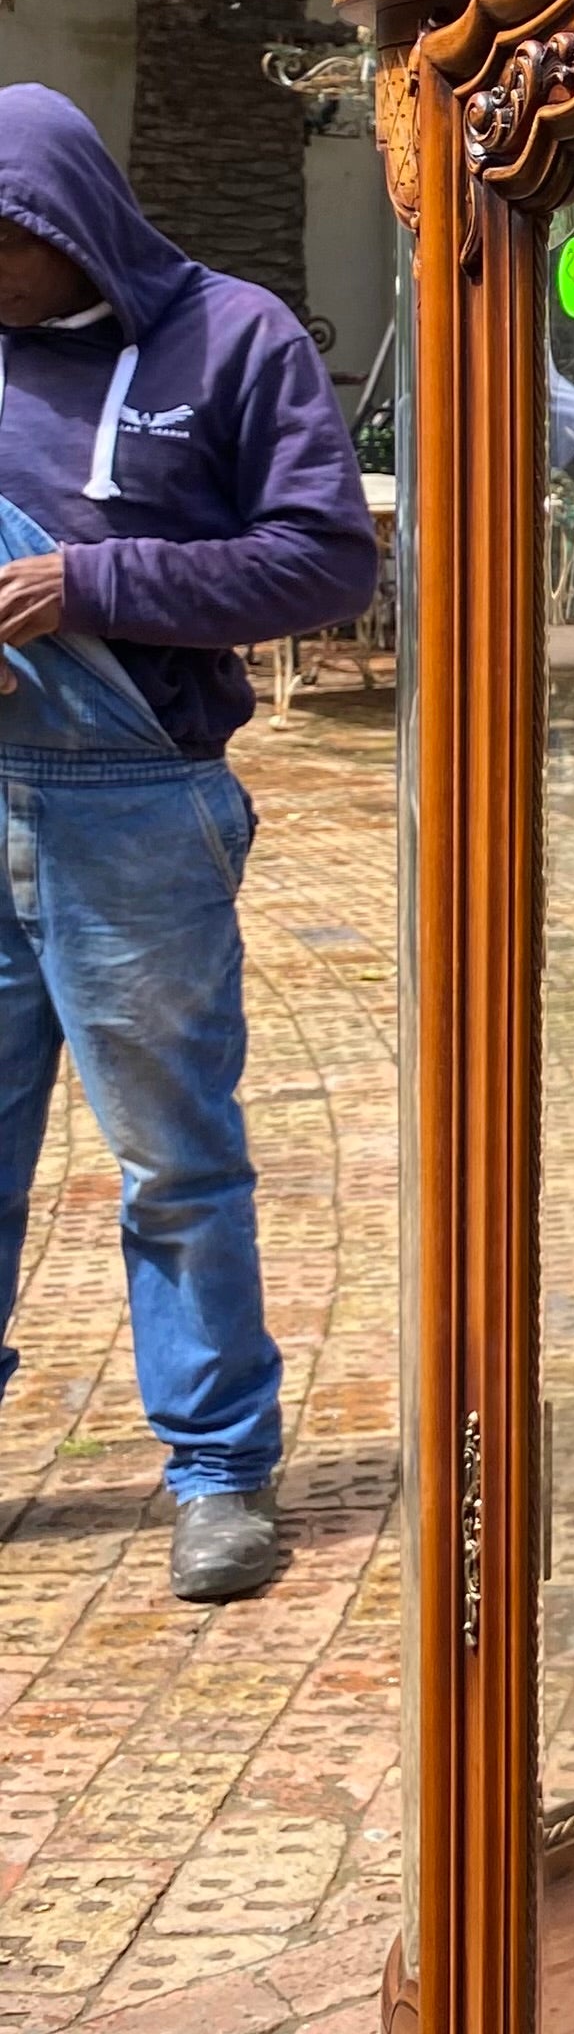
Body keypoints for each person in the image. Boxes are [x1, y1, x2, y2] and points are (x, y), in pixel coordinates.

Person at [0, 88, 379, 1602]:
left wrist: (96, 585)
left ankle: (220, 1469)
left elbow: (323, 558)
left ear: (59, 222)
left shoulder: (234, 340)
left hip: (133, 808)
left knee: (171, 1164)